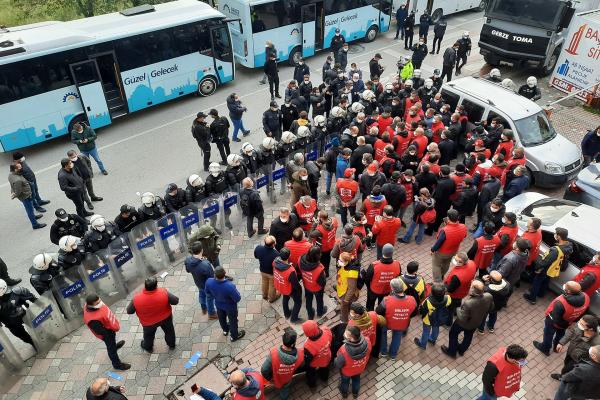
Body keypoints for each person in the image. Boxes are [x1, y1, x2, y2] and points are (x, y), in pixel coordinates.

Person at [533, 281, 590, 356]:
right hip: (568, 321)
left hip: (554, 322)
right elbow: (583, 312)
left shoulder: (561, 302)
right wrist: (571, 322)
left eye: (565, 288)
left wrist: (564, 324)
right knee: (560, 334)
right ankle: (557, 347)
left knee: (548, 334)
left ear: (568, 291)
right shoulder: (586, 298)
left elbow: (556, 319)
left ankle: (545, 348)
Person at [442, 280, 494, 358]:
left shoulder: (468, 303)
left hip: (462, 324)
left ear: (473, 290)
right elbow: (491, 308)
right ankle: (461, 350)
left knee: (453, 334)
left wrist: (458, 309)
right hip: (476, 322)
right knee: (468, 336)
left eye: (471, 286)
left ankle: (452, 351)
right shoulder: (489, 296)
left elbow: (462, 318)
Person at [126, 277, 179, 352]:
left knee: (148, 337)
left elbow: (129, 311)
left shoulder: (136, 298)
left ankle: (148, 347)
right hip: (166, 318)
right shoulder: (163, 292)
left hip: (148, 323)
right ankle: (171, 344)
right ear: (156, 285)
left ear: (145, 286)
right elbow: (175, 301)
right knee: (169, 332)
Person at [524, 227, 573, 304]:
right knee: (546, 280)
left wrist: (537, 267)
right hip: (554, 269)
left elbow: (546, 261)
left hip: (547, 268)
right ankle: (541, 293)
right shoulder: (569, 246)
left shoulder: (555, 250)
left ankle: (532, 298)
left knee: (537, 281)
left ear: (559, 236)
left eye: (556, 234)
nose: (554, 235)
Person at [83, 294, 131, 371]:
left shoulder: (89, 306)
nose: (100, 303)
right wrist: (110, 332)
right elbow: (101, 331)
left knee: (112, 344)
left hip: (109, 329)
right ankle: (117, 365)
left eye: (99, 301)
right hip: (107, 334)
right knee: (111, 348)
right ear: (91, 305)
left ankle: (115, 346)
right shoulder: (92, 320)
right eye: (97, 303)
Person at [377, 278, 417, 359]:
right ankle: (393, 355)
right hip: (402, 324)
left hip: (387, 322)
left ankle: (383, 352)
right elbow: (414, 313)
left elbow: (378, 311)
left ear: (392, 288)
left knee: (383, 333)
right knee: (397, 337)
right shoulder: (412, 299)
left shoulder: (386, 300)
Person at [551, 315, 600, 381]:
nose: (578, 324)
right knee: (566, 364)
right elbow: (571, 332)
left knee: (566, 370)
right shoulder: (580, 324)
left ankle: (562, 378)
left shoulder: (597, 342)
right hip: (570, 352)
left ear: (590, 329)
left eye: (582, 324)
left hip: (577, 361)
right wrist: (561, 343)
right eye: (579, 321)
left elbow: (595, 357)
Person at [205, 266, 245, 341]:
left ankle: (225, 330)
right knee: (233, 321)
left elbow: (207, 292)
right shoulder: (229, 286)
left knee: (222, 319)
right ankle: (234, 336)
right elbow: (238, 298)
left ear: (215, 274)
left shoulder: (209, 281)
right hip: (230, 307)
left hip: (218, 304)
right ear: (225, 274)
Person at [262, 329, 303, 400]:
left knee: (281, 386)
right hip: (287, 378)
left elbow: (264, 369)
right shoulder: (300, 354)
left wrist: (270, 379)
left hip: (276, 378)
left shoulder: (274, 353)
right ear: (293, 344)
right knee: (285, 389)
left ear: (283, 339)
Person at [431, 209, 468, 282]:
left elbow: (439, 242)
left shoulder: (445, 230)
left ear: (448, 218)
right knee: (446, 263)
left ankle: (437, 281)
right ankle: (442, 275)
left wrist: (432, 249)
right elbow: (464, 236)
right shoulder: (463, 226)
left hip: (442, 252)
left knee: (436, 265)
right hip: (453, 251)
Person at [335, 325, 371, 398]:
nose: (344, 333)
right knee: (356, 380)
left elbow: (338, 364)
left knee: (345, 382)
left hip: (347, 372)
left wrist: (336, 360)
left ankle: (344, 394)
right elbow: (368, 353)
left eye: (345, 333)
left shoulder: (344, 350)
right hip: (360, 368)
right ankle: (355, 393)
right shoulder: (367, 341)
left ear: (350, 338)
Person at [0, 279, 37, 350]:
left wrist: (39, 303)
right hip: (11, 322)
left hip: (25, 314)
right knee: (22, 335)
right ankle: (33, 342)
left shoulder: (17, 291)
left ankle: (43, 336)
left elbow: (32, 298)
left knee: (37, 325)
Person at [363, 244, 401, 311]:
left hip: (373, 290)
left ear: (382, 252)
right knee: (382, 307)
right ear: (392, 253)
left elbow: (367, 279)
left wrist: (369, 288)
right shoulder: (397, 264)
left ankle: (371, 317)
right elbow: (398, 277)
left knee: (369, 306)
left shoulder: (374, 265)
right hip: (387, 290)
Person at [8, 163, 46, 229]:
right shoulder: (17, 180)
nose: (21, 167)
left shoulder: (11, 175)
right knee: (30, 210)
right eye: (19, 167)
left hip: (27, 194)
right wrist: (14, 194)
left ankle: (34, 217)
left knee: (30, 208)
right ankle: (35, 225)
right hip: (26, 197)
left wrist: (13, 192)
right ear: (15, 169)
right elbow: (18, 191)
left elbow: (12, 186)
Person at [185, 242, 217, 320]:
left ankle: (203, 308)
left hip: (198, 282)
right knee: (209, 298)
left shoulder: (188, 260)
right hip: (207, 285)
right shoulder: (205, 264)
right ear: (201, 250)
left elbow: (188, 270)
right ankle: (212, 313)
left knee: (201, 294)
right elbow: (212, 278)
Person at [415, 282, 451, 349]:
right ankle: (432, 339)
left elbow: (422, 311)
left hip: (428, 319)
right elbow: (448, 304)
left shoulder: (428, 301)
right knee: (436, 328)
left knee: (426, 331)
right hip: (438, 318)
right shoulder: (448, 298)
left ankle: (422, 344)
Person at [444, 252, 477, 326]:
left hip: (455, 295)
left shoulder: (457, 277)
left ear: (461, 262)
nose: (454, 260)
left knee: (450, 309)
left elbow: (450, 289)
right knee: (458, 303)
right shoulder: (472, 263)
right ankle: (456, 311)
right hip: (464, 290)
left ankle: (448, 323)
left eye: (456, 260)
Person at [273, 248, 303, 323]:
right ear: (289, 256)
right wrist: (300, 290)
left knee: (285, 298)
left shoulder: (275, 262)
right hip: (289, 289)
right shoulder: (290, 271)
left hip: (281, 286)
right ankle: (294, 318)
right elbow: (295, 284)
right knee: (298, 302)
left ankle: (286, 314)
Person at [299, 246, 327, 320]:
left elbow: (298, 271)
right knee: (319, 300)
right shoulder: (319, 269)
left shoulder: (300, 260)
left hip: (306, 285)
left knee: (309, 299)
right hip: (317, 288)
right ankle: (320, 312)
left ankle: (310, 314)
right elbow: (322, 282)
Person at [302, 320, 332, 388]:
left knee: (310, 373)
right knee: (325, 370)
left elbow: (308, 359)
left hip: (314, 363)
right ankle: (324, 379)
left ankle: (312, 384)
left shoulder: (308, 345)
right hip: (326, 358)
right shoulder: (326, 330)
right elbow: (331, 338)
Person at [254, 235, 280, 303]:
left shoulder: (258, 248)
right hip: (271, 273)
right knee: (272, 285)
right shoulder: (276, 254)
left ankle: (264, 295)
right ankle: (272, 298)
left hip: (262, 270)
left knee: (264, 282)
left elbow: (256, 256)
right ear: (273, 244)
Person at [313, 210, 338, 277]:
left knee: (321, 261)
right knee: (327, 260)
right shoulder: (334, 220)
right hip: (331, 244)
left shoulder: (320, 230)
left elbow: (311, 234)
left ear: (320, 218)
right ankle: (326, 273)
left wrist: (315, 224)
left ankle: (322, 274)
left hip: (323, 249)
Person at [337, 252, 360, 323]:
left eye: (341, 260)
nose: (339, 261)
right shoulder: (347, 264)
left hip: (346, 293)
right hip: (343, 288)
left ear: (346, 262)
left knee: (343, 307)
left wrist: (346, 299)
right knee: (347, 305)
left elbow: (352, 288)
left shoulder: (351, 273)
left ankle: (344, 320)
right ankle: (348, 308)